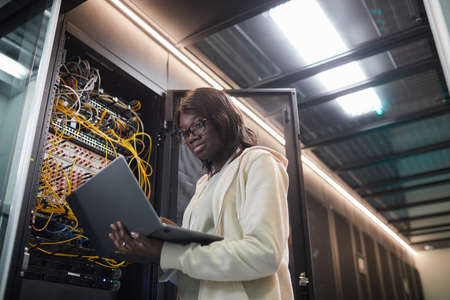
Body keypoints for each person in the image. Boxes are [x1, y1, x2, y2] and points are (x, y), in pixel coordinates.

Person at [109, 87, 294, 300]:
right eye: (185, 132)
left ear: (222, 118)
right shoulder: (204, 184)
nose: (191, 137)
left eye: (198, 124)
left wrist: (167, 252)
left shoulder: (258, 163)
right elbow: (199, 273)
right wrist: (160, 243)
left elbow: (264, 255)